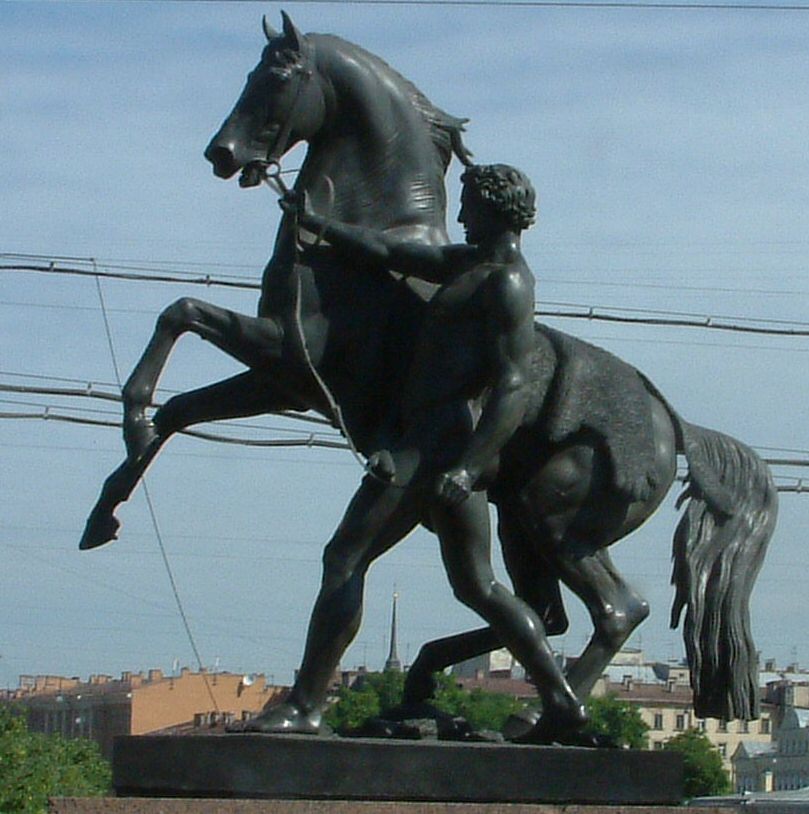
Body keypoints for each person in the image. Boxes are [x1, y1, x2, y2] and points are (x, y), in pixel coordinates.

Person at [241, 164, 587, 740]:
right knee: (478, 586)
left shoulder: (507, 282)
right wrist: (318, 225)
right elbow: (386, 250)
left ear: (496, 209)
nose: (459, 214)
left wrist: (470, 465)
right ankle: (565, 704)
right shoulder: (469, 266)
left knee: (345, 558)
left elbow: (513, 386)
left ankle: (305, 705)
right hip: (433, 443)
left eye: (470, 203)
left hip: (433, 446)